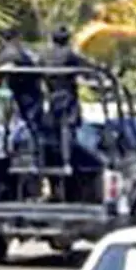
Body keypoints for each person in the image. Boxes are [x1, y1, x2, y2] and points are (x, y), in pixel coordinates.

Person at [38, 27, 87, 170]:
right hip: (67, 96)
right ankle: (67, 161)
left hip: (52, 96)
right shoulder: (69, 55)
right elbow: (85, 66)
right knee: (67, 127)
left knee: (53, 127)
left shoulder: (44, 55)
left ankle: (50, 158)